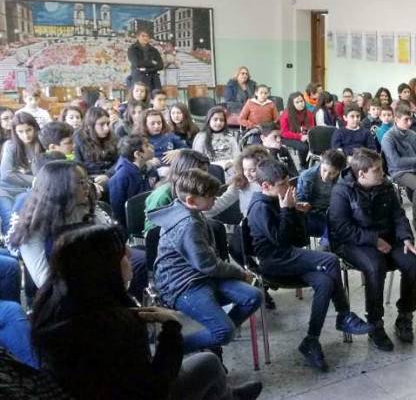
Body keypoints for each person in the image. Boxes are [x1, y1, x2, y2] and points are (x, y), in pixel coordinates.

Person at [29, 224, 263, 400]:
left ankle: (226, 394)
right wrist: (172, 328)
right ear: (104, 268)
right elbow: (155, 387)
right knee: (208, 363)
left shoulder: (51, 305)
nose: (131, 256)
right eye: (123, 253)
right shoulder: (115, 323)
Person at [247, 159, 372, 372]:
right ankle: (343, 315)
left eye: (288, 182)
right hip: (274, 263)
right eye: (283, 184)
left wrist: (296, 212)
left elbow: (299, 240)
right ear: (266, 186)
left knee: (324, 282)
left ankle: (311, 340)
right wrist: (287, 210)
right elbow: (280, 241)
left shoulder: (278, 199)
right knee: (331, 259)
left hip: (290, 256)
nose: (289, 188)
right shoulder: (259, 207)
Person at [150, 168, 262, 354]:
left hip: (202, 276)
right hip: (182, 286)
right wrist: (241, 274)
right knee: (224, 333)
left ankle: (216, 332)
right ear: (191, 201)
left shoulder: (190, 211)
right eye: (210, 196)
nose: (214, 200)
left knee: (253, 297)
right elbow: (209, 265)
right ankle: (172, 350)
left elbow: (207, 264)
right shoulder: (188, 224)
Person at [7, 160, 147, 301]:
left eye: (87, 180)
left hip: (98, 272)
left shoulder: (87, 206)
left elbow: (115, 242)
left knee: (140, 261)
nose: (87, 186)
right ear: (59, 187)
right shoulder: (33, 226)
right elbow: (44, 280)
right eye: (80, 182)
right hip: (61, 292)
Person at [328, 148, 416, 352]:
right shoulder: (341, 191)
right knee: (375, 266)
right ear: (361, 174)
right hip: (354, 242)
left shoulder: (385, 186)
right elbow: (341, 229)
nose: (383, 173)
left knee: (412, 261)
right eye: (377, 170)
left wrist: (406, 238)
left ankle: (405, 315)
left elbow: (398, 215)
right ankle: (375, 323)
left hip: (386, 237)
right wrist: (374, 240)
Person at [381, 105, 416, 235]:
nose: (409, 123)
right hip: (399, 172)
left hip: (415, 169)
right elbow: (396, 162)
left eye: (410, 119)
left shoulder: (413, 134)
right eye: (406, 120)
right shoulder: (388, 137)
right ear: (396, 119)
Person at [0, 112, 44, 233]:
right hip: (6, 191)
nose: (25, 135)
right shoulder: (10, 146)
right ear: (15, 132)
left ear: (35, 127)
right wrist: (35, 179)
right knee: (10, 220)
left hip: (28, 191)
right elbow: (6, 175)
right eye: (20, 131)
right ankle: (8, 248)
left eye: (28, 130)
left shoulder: (42, 143)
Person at [297, 149, 346, 243]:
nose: (326, 176)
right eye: (324, 170)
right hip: (312, 214)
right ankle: (325, 247)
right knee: (335, 230)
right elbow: (300, 198)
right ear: (320, 163)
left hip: (332, 213)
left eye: (332, 173)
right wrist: (303, 204)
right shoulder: (307, 177)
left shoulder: (343, 180)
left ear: (339, 171)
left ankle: (326, 247)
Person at [108, 135, 156, 229]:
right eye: (147, 145)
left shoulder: (151, 169)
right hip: (132, 226)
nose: (152, 147)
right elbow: (118, 211)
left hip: (149, 218)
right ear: (138, 154)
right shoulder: (121, 177)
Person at [74, 106, 118, 183]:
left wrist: (108, 175)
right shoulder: (79, 137)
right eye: (101, 124)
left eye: (108, 123)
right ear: (90, 125)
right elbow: (78, 164)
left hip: (111, 175)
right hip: (89, 178)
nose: (106, 128)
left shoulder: (112, 136)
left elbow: (120, 160)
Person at [193, 106, 239, 174]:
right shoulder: (201, 137)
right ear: (209, 120)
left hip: (229, 170)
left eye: (221, 120)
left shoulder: (230, 137)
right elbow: (198, 159)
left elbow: (237, 156)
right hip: (209, 171)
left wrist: (231, 163)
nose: (218, 123)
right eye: (215, 119)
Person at [279, 92, 315, 168]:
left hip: (304, 136)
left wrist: (308, 136)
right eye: (297, 102)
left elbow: (312, 128)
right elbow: (284, 133)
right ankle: (303, 165)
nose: (300, 104)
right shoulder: (285, 115)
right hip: (287, 138)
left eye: (302, 101)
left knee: (315, 145)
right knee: (304, 147)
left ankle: (310, 164)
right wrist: (299, 137)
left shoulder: (309, 113)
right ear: (292, 104)